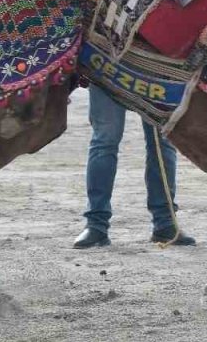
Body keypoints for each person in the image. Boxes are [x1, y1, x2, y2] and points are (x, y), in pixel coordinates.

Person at [72, 85, 196, 248]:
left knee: (162, 143)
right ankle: (95, 225)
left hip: (155, 68)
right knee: (104, 141)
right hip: (106, 70)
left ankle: (165, 223)